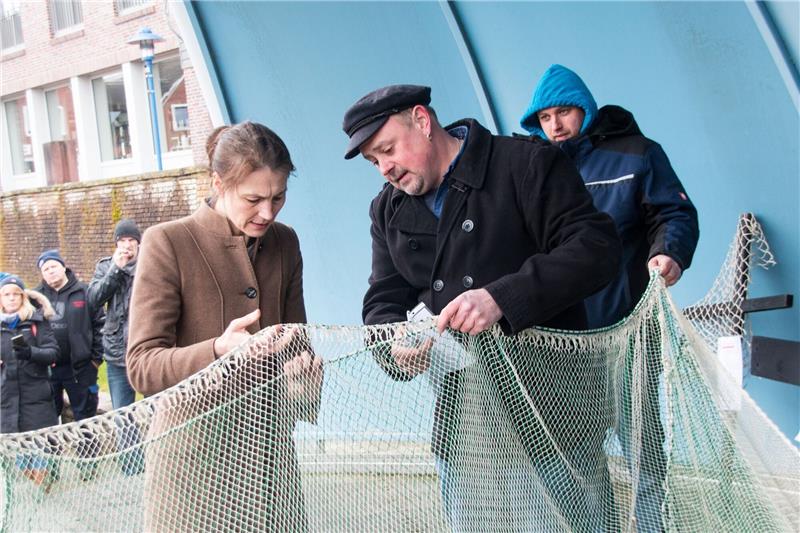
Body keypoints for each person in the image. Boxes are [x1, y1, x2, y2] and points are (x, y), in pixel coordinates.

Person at [343, 85, 622, 531]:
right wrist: (392, 343)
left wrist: (501, 298)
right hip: (465, 430)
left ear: (422, 119)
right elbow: (382, 299)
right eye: (375, 162)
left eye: (388, 150)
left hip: (552, 414)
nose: (386, 170)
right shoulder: (386, 211)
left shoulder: (525, 165)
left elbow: (596, 249)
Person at [520, 64, 700, 533]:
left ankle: (652, 526)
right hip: (565, 347)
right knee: (576, 454)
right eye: (544, 118)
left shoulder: (637, 154)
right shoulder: (535, 169)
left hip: (628, 331)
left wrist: (669, 255)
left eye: (564, 112)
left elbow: (674, 213)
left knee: (643, 446)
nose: (555, 126)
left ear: (587, 109)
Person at [127, 121, 323, 531]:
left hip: (270, 461)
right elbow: (142, 365)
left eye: (279, 197)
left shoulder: (285, 242)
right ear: (218, 183)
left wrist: (304, 376)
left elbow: (296, 344)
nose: (268, 213)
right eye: (253, 199)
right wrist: (217, 349)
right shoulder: (168, 242)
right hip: (194, 468)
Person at [87, 218, 144, 476]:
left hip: (146, 349)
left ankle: (159, 459)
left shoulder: (150, 262)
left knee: (159, 406)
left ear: (139, 243)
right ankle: (132, 466)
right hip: (116, 351)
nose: (127, 246)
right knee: (123, 412)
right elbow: (94, 300)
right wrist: (117, 270)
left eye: (132, 241)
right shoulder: (106, 267)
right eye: (122, 241)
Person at [0, 275, 59, 489]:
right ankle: (34, 485)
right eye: (7, 294)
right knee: (20, 454)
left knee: (40, 447)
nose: (12, 298)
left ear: (23, 297)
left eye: (16, 294)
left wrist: (30, 352)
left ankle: (42, 488)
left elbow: (53, 353)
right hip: (7, 396)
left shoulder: (36, 321)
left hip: (35, 394)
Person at [34, 249, 105, 423]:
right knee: (48, 419)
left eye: (53, 266)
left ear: (64, 267)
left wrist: (95, 360)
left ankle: (89, 451)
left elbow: (100, 324)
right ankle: (51, 451)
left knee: (85, 419)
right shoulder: (35, 297)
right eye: (46, 269)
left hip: (80, 368)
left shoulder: (84, 292)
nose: (50, 271)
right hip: (48, 369)